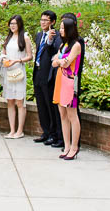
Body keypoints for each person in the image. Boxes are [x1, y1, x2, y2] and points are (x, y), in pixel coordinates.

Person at [52, 14, 83, 160]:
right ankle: (66, 145)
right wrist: (60, 60)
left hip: (70, 82)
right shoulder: (63, 45)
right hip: (61, 80)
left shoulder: (76, 45)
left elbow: (65, 62)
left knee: (72, 115)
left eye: (63, 28)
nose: (60, 31)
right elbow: (55, 62)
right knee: (62, 114)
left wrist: (59, 60)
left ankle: (74, 147)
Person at [32, 10, 63, 148]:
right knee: (41, 105)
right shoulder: (39, 35)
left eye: (46, 20)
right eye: (41, 20)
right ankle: (45, 132)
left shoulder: (56, 36)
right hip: (38, 72)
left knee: (50, 106)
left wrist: (49, 40)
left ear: (53, 22)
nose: (43, 22)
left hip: (48, 74)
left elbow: (55, 53)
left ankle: (53, 134)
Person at [1, 15, 32, 139]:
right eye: (11, 23)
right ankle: (12, 130)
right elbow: (3, 53)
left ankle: (20, 130)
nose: (12, 26)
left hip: (19, 72)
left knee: (20, 102)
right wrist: (4, 59)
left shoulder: (25, 38)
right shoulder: (8, 38)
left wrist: (17, 60)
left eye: (15, 23)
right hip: (8, 72)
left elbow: (30, 56)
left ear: (19, 24)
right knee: (10, 101)